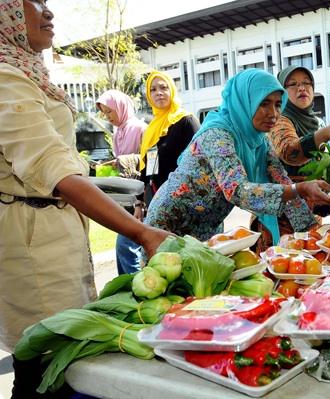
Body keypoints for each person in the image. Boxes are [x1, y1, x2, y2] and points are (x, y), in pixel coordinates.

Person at [0, 0, 170, 396]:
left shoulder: (26, 69)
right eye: (32, 2)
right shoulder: (5, 78)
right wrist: (142, 232)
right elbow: (53, 169)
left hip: (52, 228)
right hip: (33, 241)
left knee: (57, 353)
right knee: (46, 358)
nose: (47, 12)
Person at [145, 68, 330, 247]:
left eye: (277, 105)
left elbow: (280, 178)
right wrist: (298, 189)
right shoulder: (217, 134)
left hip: (207, 226)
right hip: (169, 224)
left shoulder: (259, 141)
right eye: (264, 104)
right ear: (245, 101)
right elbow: (236, 190)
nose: (274, 114)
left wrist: (312, 231)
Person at [269, 65, 330, 179]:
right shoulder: (278, 121)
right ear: (281, 92)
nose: (302, 88)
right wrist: (325, 134)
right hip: (291, 193)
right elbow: (289, 152)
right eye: (293, 84)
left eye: (306, 83)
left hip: (319, 191)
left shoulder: (318, 122)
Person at [96, 89, 147, 274]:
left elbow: (147, 160)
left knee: (126, 245)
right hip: (126, 197)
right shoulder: (118, 132)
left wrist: (122, 160)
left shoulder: (140, 128)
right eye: (105, 113)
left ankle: (134, 285)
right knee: (128, 246)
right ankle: (129, 286)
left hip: (142, 197)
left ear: (121, 107)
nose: (108, 117)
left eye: (110, 111)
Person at [138, 70, 199, 205]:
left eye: (163, 87)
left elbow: (200, 161)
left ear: (171, 89)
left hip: (184, 200)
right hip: (156, 199)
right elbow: (147, 169)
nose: (158, 92)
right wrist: (139, 202)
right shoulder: (151, 129)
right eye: (153, 90)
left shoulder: (186, 121)